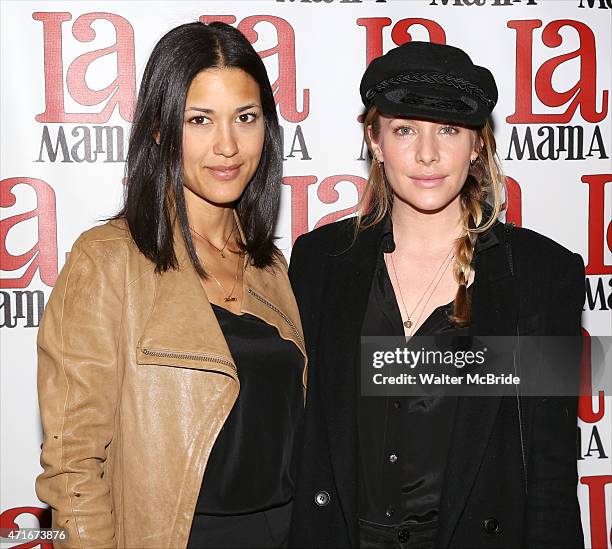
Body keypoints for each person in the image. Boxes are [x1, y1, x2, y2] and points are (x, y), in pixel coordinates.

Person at [288, 41, 585, 548]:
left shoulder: (541, 274)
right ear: (375, 141)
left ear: (477, 145)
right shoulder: (319, 262)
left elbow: (551, 471)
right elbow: (305, 441)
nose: (427, 154)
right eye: (405, 129)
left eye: (448, 130)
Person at [36, 21, 306, 549]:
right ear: (160, 129)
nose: (227, 146)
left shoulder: (272, 266)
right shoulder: (108, 261)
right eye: (199, 119)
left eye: (245, 118)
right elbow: (72, 466)